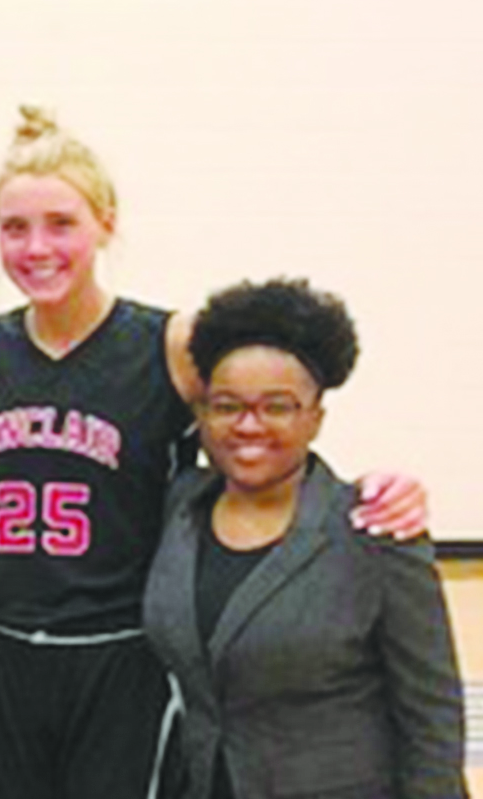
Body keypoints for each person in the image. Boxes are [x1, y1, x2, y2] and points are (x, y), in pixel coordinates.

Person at [0, 107, 430, 799]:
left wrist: (378, 485)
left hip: (118, 652)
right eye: (14, 228)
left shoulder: (167, 342)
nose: (36, 247)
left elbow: (261, 433)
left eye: (60, 224)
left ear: (104, 223)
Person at [144, 279, 462, 799]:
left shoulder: (374, 531)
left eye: (277, 406)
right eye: (227, 406)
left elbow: (431, 715)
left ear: (315, 418)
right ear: (201, 416)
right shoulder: (176, 508)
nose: (249, 425)